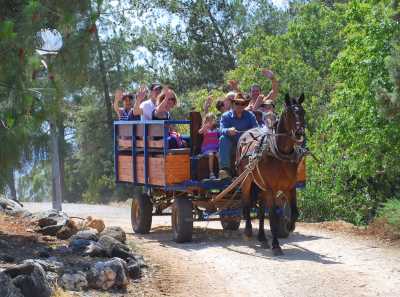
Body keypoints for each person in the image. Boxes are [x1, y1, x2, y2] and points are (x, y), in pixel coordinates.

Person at [218, 92, 258, 179]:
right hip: (232, 145)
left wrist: (249, 135)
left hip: (246, 145)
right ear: (233, 104)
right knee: (223, 138)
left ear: (245, 105)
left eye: (242, 103)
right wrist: (228, 130)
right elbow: (221, 130)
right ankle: (225, 170)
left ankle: (255, 170)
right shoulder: (225, 116)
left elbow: (256, 129)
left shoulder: (250, 115)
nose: (239, 105)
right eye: (237, 103)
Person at [199, 113, 220, 179]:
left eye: (212, 119)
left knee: (219, 155)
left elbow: (221, 133)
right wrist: (205, 126)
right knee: (211, 155)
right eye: (209, 120)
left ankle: (221, 172)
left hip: (215, 148)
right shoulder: (205, 129)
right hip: (207, 149)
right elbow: (200, 132)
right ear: (207, 121)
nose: (211, 121)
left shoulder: (216, 129)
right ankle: (211, 173)